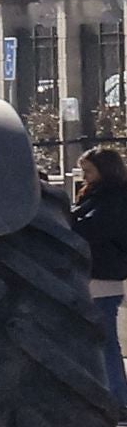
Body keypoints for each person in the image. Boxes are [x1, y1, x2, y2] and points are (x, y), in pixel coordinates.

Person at [76, 145, 127, 409]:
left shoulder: (113, 198)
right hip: (100, 276)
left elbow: (95, 228)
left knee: (105, 342)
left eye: (88, 171)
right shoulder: (99, 195)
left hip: (103, 277)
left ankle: (118, 400)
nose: (84, 177)